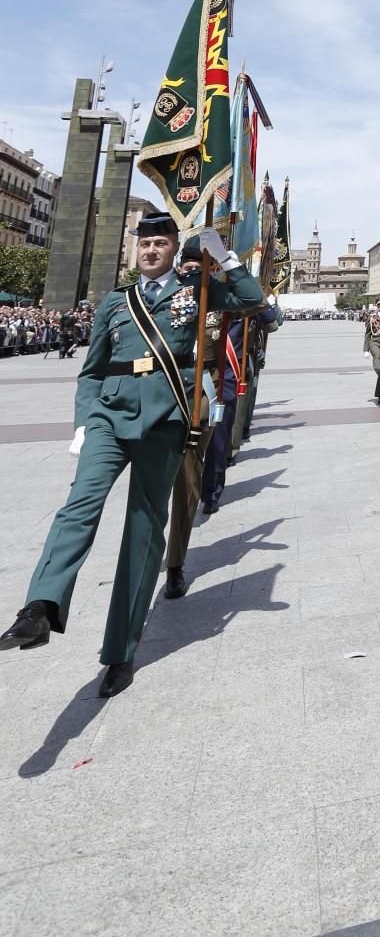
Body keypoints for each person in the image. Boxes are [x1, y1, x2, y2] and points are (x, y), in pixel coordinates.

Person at [0, 214, 263, 696]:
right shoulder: (116, 303)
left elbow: (253, 301)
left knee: (143, 533)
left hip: (164, 422)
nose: (150, 251)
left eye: (160, 244)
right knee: (79, 506)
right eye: (144, 244)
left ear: (171, 250)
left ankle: (120, 651)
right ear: (134, 251)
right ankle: (39, 608)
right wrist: (83, 421)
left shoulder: (197, 290)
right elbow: (92, 369)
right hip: (108, 418)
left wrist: (223, 257)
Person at [162, 236, 221, 598]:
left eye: (201, 267)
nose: (192, 271)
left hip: (200, 394)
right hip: (156, 394)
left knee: (186, 481)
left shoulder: (220, 300)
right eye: (188, 265)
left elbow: (260, 309)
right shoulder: (156, 299)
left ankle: (174, 563)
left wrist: (228, 265)